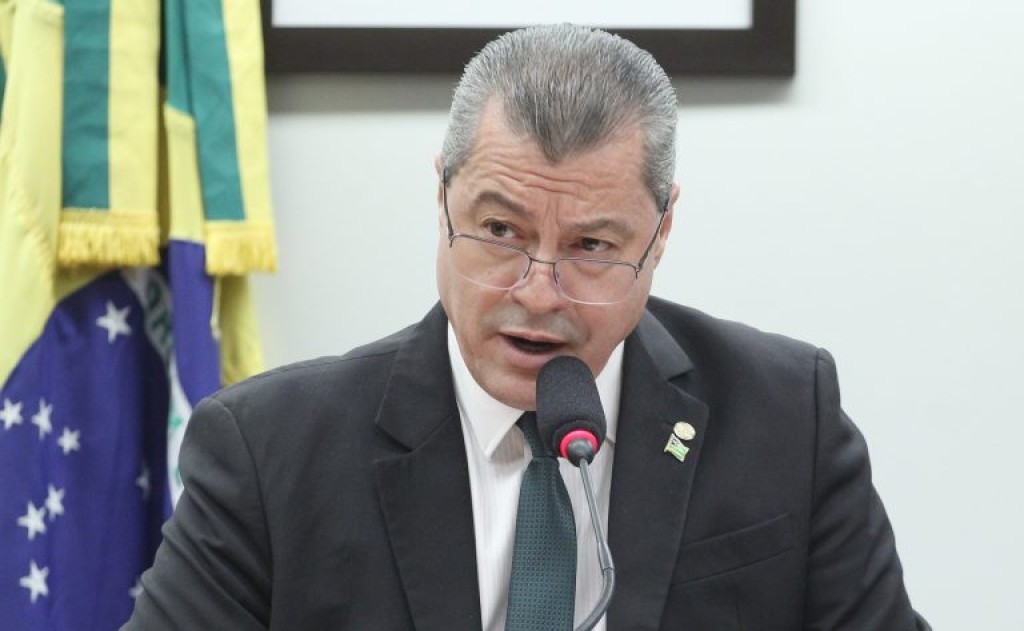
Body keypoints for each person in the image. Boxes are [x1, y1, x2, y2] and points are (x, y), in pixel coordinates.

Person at [124, 24, 929, 630]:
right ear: (442, 198)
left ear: (661, 233)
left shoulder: (786, 420)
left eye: (591, 247)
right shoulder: (269, 454)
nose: (539, 293)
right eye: (500, 231)